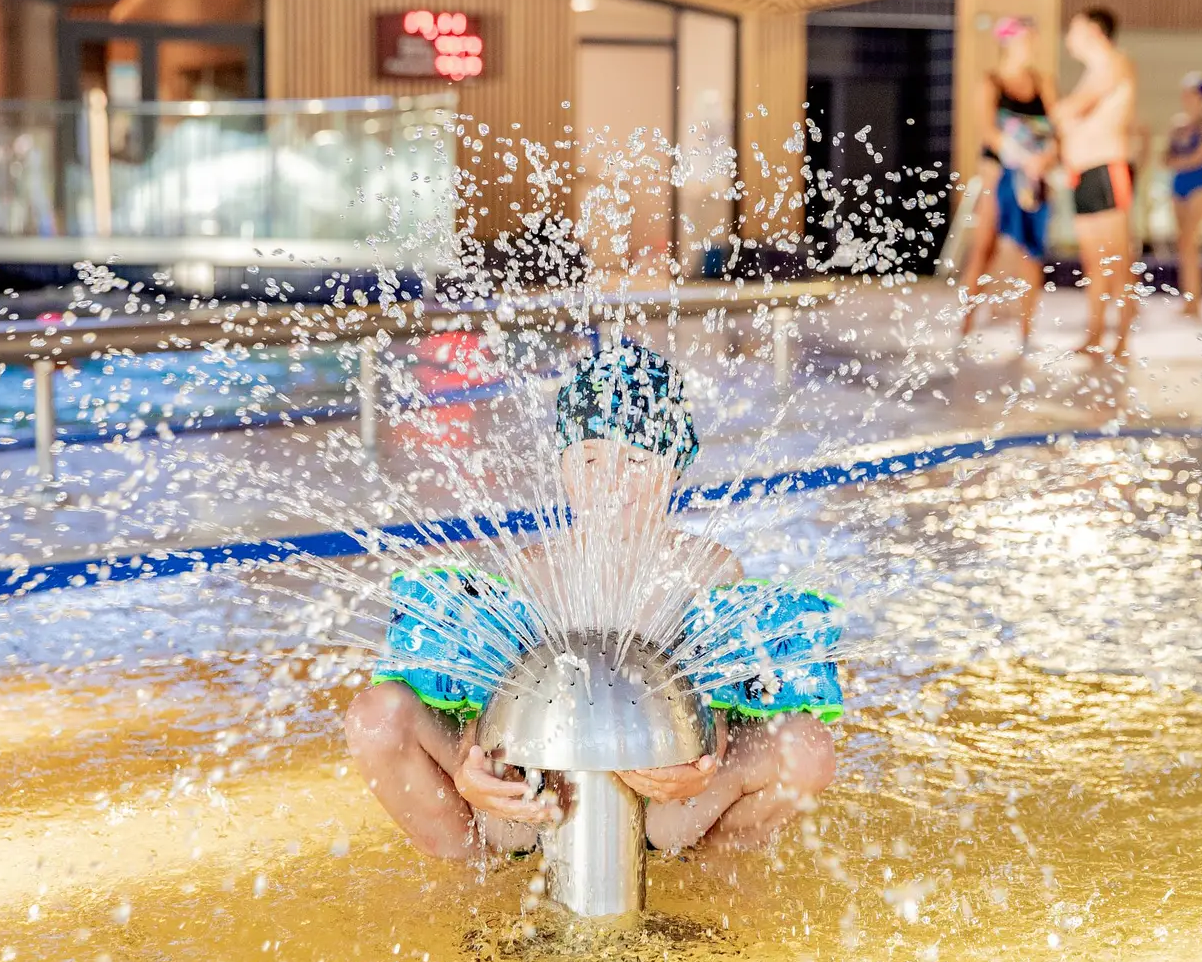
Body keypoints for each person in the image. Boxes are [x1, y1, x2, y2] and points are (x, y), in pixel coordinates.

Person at [344, 341, 840, 860]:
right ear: (562, 465)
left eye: (635, 458)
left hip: (663, 803)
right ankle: (474, 879)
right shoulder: (532, 568)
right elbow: (489, 690)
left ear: (675, 465)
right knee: (378, 714)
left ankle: (706, 878)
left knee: (806, 747)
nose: (609, 480)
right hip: (538, 802)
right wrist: (473, 770)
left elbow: (714, 700)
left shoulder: (706, 568)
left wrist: (701, 769)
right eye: (588, 457)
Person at [959, 16, 1059, 352]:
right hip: (999, 173)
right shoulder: (992, 83)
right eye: (1025, 40)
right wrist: (1020, 156)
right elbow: (988, 130)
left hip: (1034, 178)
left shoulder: (1042, 83)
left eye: (1033, 41)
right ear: (1009, 43)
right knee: (984, 249)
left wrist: (1044, 161)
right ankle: (966, 324)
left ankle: (1027, 330)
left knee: (1031, 252)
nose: (1030, 47)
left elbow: (1057, 129)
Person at [1051, 6, 1139, 360]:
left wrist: (1047, 116)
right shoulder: (1092, 72)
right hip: (1083, 173)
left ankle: (1123, 339)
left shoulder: (1116, 63)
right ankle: (1095, 334)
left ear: (1093, 30)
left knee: (1117, 260)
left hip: (1106, 170)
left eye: (1073, 28)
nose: (1068, 37)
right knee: (1094, 263)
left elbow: (1077, 108)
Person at [1164, 72, 1202, 317]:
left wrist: (1180, 162)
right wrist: (1180, 162)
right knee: (1182, 243)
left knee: (1190, 241)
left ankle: (1195, 300)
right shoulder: (1177, 123)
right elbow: (1165, 157)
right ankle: (1188, 299)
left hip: (1199, 182)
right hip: (1179, 183)